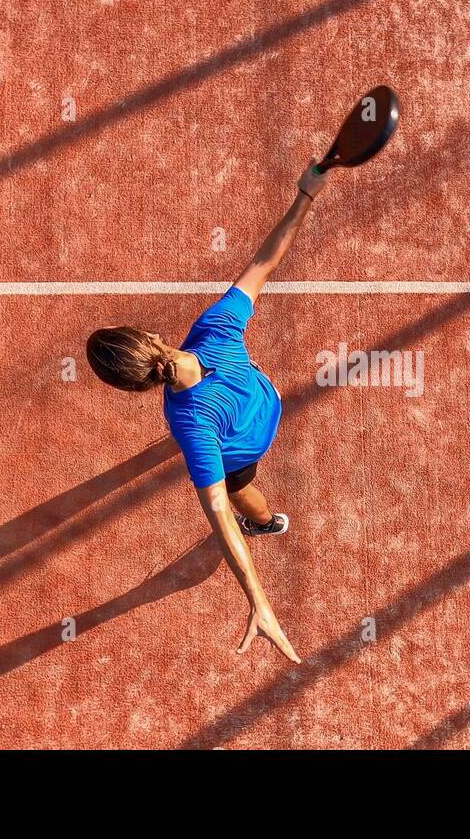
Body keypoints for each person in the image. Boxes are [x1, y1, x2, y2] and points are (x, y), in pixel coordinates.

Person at [85, 161, 328, 663]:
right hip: (267, 403)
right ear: (153, 338)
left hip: (245, 451)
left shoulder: (189, 426)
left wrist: (259, 602)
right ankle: (265, 524)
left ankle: (266, 525)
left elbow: (218, 514)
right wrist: (305, 194)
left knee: (245, 499)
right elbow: (265, 261)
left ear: (136, 390)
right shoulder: (215, 329)